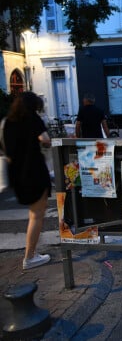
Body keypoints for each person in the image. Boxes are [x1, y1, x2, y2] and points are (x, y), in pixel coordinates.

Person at [3, 92, 52, 269]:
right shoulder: (33, 119)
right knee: (37, 215)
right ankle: (30, 257)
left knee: (34, 214)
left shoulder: (7, 122)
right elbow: (45, 140)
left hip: (17, 175)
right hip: (34, 172)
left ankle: (32, 254)